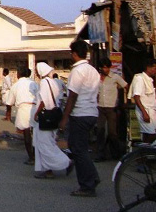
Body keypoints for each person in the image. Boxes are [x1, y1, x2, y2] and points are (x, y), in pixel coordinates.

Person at [59, 39, 100, 198]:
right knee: (81, 149)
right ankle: (92, 177)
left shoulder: (77, 71)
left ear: (74, 54)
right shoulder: (93, 70)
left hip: (80, 114)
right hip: (91, 112)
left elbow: (72, 96)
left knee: (78, 150)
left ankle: (87, 185)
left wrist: (64, 118)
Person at [33, 62, 73, 179]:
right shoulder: (53, 82)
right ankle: (48, 171)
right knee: (49, 144)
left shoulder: (44, 83)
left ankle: (66, 162)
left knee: (45, 146)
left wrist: (36, 114)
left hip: (46, 117)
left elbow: (44, 101)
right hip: (53, 116)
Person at [95, 57, 128, 161]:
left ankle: (115, 153)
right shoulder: (96, 78)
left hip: (111, 108)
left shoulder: (115, 77)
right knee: (100, 130)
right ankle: (101, 154)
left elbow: (126, 86)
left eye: (107, 67)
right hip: (100, 107)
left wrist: (123, 101)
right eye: (103, 67)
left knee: (112, 132)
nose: (105, 69)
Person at [129, 58, 156, 144]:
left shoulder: (150, 80)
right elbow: (136, 97)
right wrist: (144, 112)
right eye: (155, 68)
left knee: (149, 135)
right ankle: (142, 152)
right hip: (145, 110)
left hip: (152, 111)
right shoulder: (140, 78)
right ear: (148, 67)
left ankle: (145, 154)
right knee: (151, 135)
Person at [11, 66, 38, 164]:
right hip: (35, 108)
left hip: (23, 109)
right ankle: (36, 155)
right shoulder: (34, 83)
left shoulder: (16, 85)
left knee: (26, 133)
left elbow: (10, 102)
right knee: (35, 133)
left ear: (18, 74)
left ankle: (31, 157)